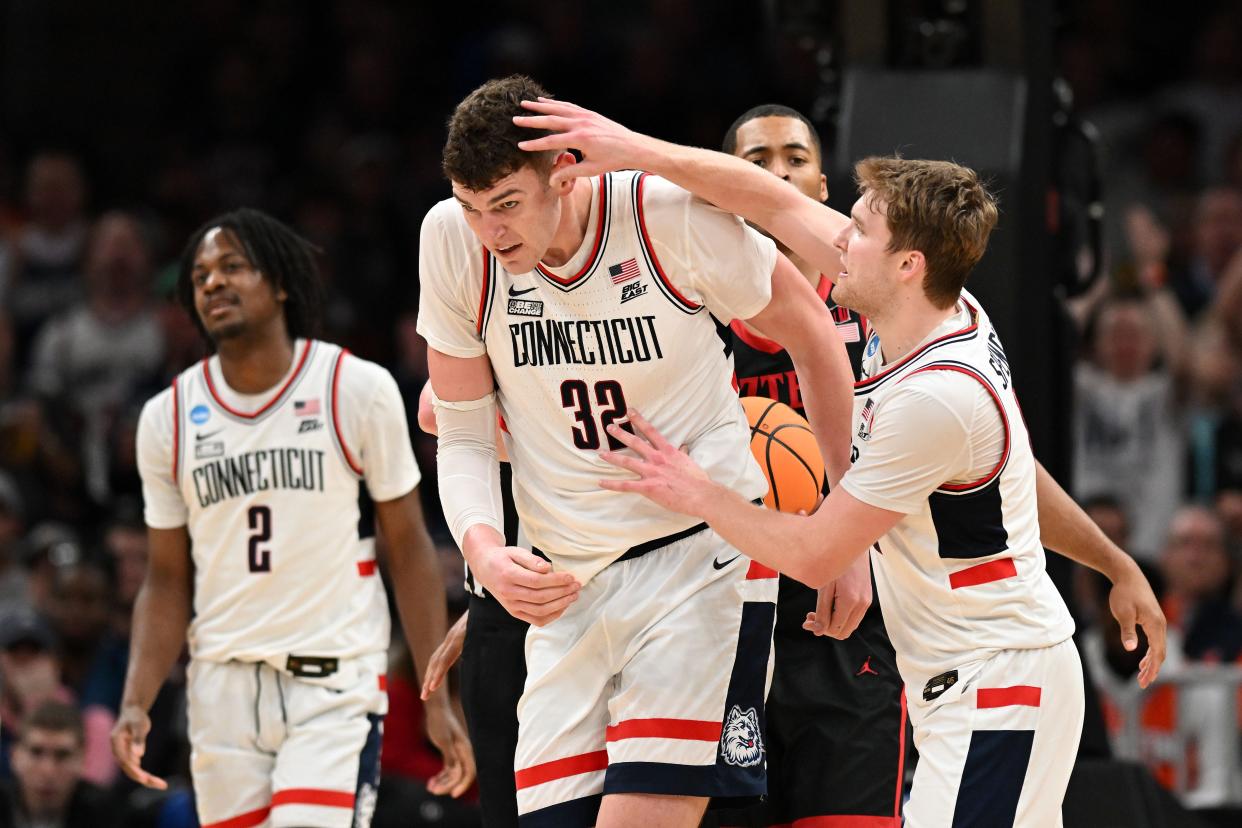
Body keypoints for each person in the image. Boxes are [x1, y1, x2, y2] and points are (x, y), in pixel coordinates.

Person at [516, 101, 1167, 826]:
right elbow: (767, 199)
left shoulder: (934, 401)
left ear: (906, 263)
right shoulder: (950, 309)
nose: (837, 241)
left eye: (859, 231)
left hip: (998, 683)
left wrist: (699, 491)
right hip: (982, 678)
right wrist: (632, 148)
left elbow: (818, 548)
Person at [417, 75, 856, 827]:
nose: (489, 230)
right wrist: (484, 551)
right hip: (567, 586)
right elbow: (456, 427)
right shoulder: (451, 240)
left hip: (697, 560)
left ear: (565, 169)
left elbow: (813, 333)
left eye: (507, 205)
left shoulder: (664, 217)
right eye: (471, 207)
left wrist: (845, 533)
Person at [112, 208, 474, 828]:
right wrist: (136, 699)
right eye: (199, 275)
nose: (212, 283)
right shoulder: (167, 418)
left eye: (232, 267)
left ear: (279, 281)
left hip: (331, 685)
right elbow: (168, 579)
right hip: (220, 687)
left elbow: (409, 547)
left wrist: (433, 698)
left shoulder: (353, 387)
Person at [712, 104, 906, 828]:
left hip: (851, 607)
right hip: (724, 610)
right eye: (755, 161)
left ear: (822, 187)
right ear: (720, 185)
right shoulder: (687, 312)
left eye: (793, 158)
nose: (777, 174)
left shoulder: (881, 308)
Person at [0, 700, 117, 828]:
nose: (48, 770)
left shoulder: (109, 813)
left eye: (62, 755)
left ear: (82, 760)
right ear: (14, 756)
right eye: (36, 752)